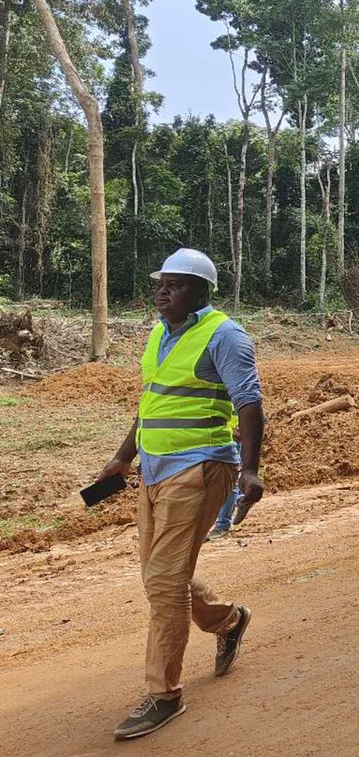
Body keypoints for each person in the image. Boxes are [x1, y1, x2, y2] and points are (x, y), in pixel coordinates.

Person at [94, 248, 264, 740]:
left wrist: (250, 470)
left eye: (176, 284)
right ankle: (229, 621)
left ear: (203, 291)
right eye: (160, 284)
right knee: (161, 572)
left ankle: (165, 694)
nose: (162, 292)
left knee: (165, 581)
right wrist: (123, 456)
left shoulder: (224, 335)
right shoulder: (158, 335)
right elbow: (152, 403)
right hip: (153, 468)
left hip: (202, 467)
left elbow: (250, 402)